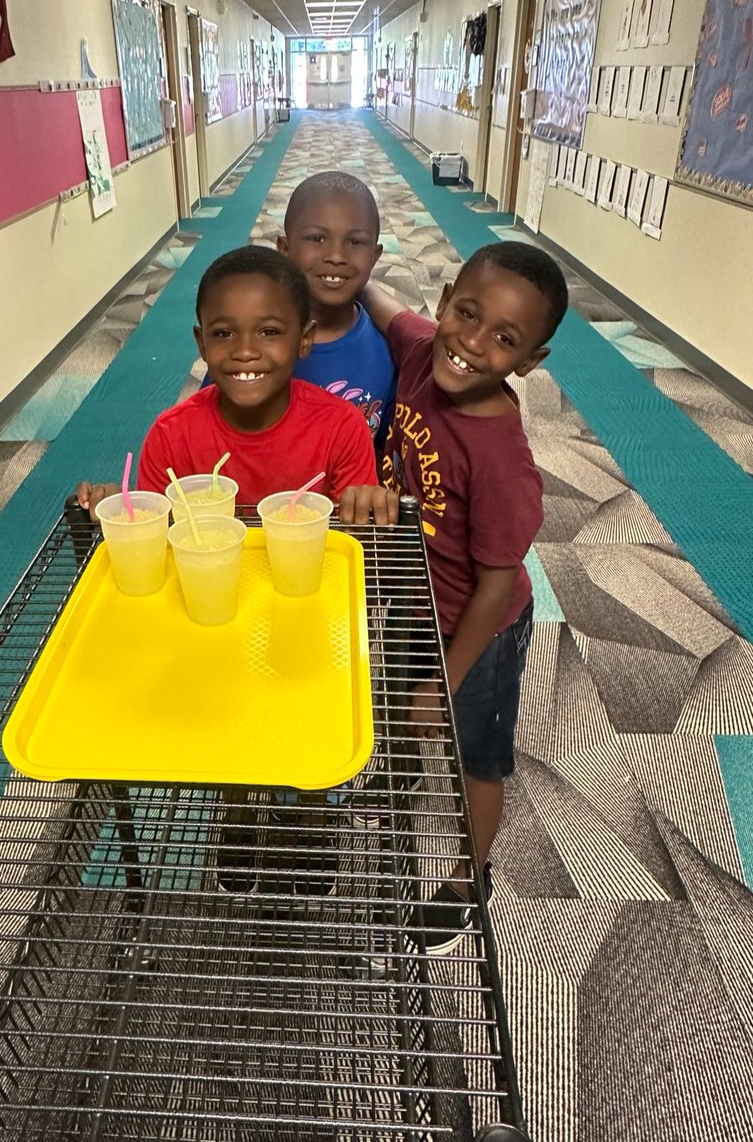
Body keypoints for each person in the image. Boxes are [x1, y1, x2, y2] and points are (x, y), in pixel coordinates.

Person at [339, 241, 569, 953]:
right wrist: (351, 277)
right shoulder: (418, 349)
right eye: (465, 314)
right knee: (400, 701)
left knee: (477, 756)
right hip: (415, 597)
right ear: (442, 303)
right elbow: (385, 308)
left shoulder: (502, 463)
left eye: (504, 339)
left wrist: (451, 679)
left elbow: (497, 581)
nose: (471, 343)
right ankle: (399, 782)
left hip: (483, 627)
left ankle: (471, 880)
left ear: (530, 361)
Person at [76, 245, 377, 516]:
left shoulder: (343, 428)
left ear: (304, 339)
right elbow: (158, 544)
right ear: (202, 343)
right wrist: (124, 512)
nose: (245, 352)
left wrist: (368, 509)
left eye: (269, 332)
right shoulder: (170, 437)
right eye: (223, 334)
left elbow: (358, 543)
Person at [201, 172, 396, 452]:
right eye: (317, 238)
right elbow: (204, 430)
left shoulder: (387, 349)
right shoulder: (246, 348)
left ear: (375, 256)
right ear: (285, 249)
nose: (336, 256)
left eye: (355, 242)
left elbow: (386, 452)